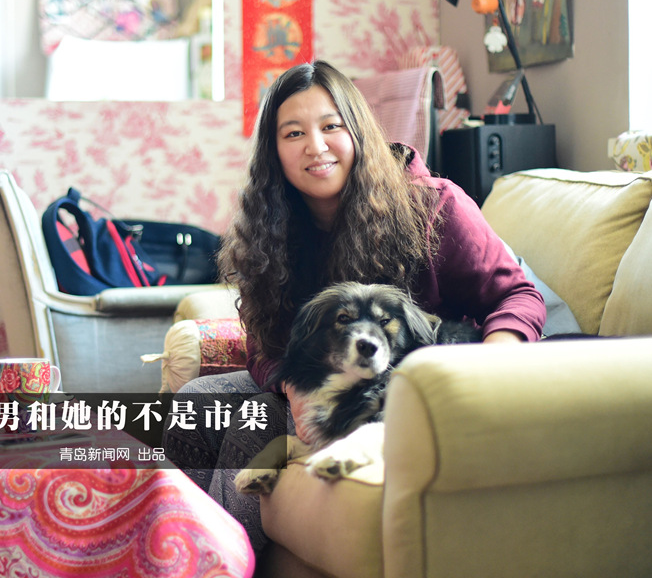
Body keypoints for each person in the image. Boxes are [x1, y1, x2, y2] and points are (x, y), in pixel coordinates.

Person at [162, 59, 546, 552]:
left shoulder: (433, 207)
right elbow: (263, 341)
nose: (315, 146)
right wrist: (293, 387)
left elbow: (517, 296)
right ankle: (174, 552)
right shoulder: (269, 230)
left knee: (253, 425)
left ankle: (218, 561)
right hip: (323, 379)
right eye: (294, 133)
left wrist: (488, 369)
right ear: (273, 151)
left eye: (331, 126)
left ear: (358, 130)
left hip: (407, 384)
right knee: (196, 403)